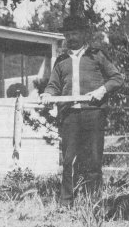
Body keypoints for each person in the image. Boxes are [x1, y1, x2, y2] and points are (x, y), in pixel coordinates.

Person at [41, 15, 123, 207]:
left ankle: (95, 203)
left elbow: (117, 78)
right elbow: (53, 85)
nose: (72, 37)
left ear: (84, 34)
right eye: (68, 33)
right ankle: (66, 203)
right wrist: (47, 94)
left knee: (94, 159)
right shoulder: (61, 61)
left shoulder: (97, 55)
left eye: (75, 32)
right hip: (69, 116)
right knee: (69, 161)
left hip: (93, 113)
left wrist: (102, 90)